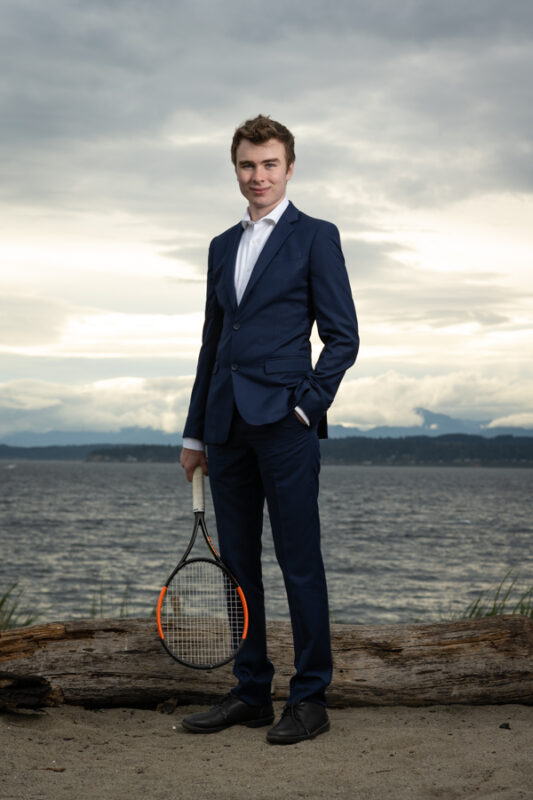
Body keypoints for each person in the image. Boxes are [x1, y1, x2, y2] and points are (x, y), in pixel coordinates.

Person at [179, 115, 359, 744]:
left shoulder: (316, 237)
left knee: (300, 565)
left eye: (270, 165)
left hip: (285, 426)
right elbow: (212, 345)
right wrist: (194, 433)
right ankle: (251, 691)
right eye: (248, 166)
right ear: (236, 170)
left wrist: (306, 409)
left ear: (289, 168)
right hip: (225, 426)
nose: (259, 176)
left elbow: (344, 338)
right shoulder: (221, 245)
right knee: (239, 567)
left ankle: (310, 699)